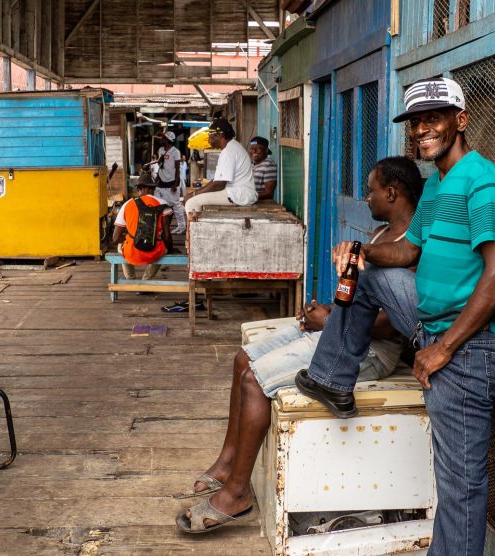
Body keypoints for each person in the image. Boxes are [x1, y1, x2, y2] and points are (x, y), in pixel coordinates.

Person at [294, 77, 495, 555]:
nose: (422, 130)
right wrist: (360, 251)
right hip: (433, 321)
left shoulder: (482, 181)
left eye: (433, 119)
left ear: (461, 120)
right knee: (368, 272)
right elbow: (407, 251)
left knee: (460, 485)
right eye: (416, 123)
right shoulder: (436, 184)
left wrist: (443, 349)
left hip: (470, 343)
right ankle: (332, 379)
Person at [175, 156, 424, 533]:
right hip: (341, 332)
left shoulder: (412, 248)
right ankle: (227, 463)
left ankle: (238, 493)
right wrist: (327, 312)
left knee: (255, 380)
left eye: (371, 191)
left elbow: (393, 323)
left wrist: (329, 321)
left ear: (391, 193)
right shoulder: (378, 236)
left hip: (370, 350)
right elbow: (357, 299)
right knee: (242, 359)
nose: (366, 198)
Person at [183, 118, 256, 217]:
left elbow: (219, 184)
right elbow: (217, 180)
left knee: (192, 202)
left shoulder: (229, 151)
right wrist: (198, 192)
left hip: (238, 195)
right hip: (239, 193)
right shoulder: (232, 147)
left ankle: (195, 227)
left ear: (220, 135)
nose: (208, 137)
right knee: (197, 198)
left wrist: (193, 194)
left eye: (210, 134)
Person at [112, 172, 175, 281]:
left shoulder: (127, 204)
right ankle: (146, 279)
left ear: (139, 188)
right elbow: (167, 236)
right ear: (152, 189)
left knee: (120, 246)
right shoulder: (163, 204)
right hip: (154, 252)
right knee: (164, 248)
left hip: (132, 253)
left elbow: (115, 238)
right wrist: (171, 249)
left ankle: (130, 278)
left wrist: (133, 238)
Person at [155, 131, 186, 234]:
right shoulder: (161, 150)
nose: (161, 140)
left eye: (163, 138)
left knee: (176, 205)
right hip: (161, 181)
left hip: (171, 182)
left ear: (167, 140)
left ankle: (182, 226)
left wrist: (175, 184)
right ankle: (160, 226)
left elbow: (177, 169)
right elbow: (160, 165)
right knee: (159, 204)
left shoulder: (175, 152)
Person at [248, 136, 277, 200]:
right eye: (252, 148)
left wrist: (248, 197)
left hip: (260, 202)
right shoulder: (251, 164)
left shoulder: (269, 165)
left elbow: (268, 193)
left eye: (258, 148)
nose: (254, 151)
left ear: (266, 150)